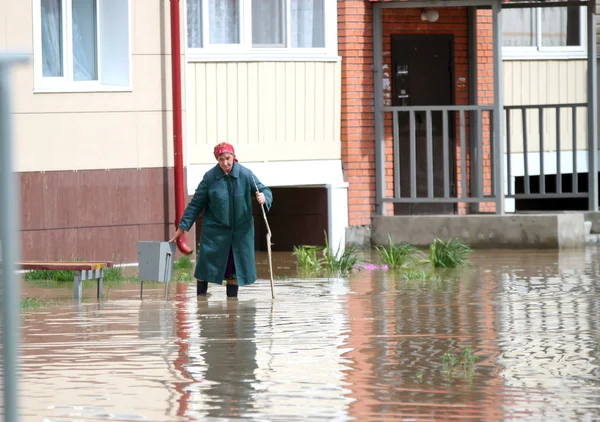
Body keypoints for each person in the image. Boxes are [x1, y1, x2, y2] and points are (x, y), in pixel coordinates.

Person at [169, 142, 273, 298]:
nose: (225, 163)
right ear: (217, 160)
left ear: (234, 157)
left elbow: (264, 190)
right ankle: (201, 304)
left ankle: (232, 307)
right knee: (205, 269)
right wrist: (182, 227)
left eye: (228, 158)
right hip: (215, 234)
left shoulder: (246, 175)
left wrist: (264, 197)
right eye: (221, 159)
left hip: (239, 234)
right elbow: (196, 204)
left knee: (234, 269)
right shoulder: (210, 177)